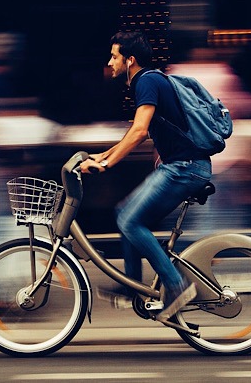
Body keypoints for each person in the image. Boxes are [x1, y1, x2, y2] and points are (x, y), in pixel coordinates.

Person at [80, 31, 212, 322]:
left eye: (114, 56)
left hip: (185, 167)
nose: (110, 61)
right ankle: (133, 287)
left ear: (130, 60)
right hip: (181, 166)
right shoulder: (149, 81)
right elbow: (138, 135)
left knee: (129, 220)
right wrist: (103, 155)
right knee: (124, 212)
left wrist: (107, 165)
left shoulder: (147, 81)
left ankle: (177, 286)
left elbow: (139, 130)